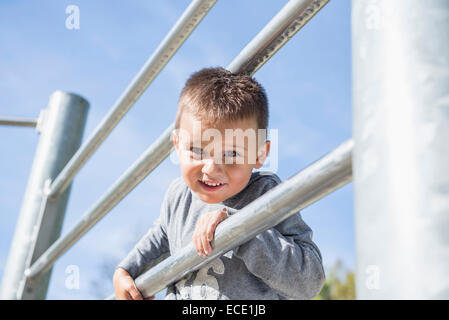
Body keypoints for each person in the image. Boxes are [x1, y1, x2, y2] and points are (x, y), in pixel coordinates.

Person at [113, 67, 325, 300]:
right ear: (177, 145)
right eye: (196, 150)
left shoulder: (266, 195)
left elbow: (309, 282)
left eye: (232, 154)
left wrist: (240, 229)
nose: (211, 169)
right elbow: (157, 243)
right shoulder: (178, 198)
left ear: (259, 154)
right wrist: (125, 271)